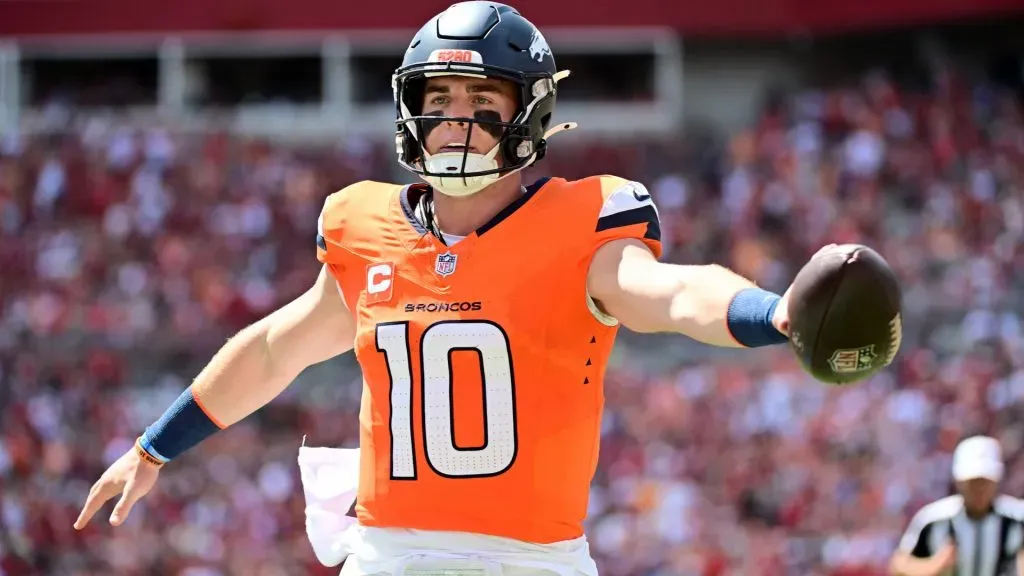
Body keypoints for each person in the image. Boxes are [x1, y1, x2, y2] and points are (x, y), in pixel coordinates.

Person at [73, 2, 816, 574]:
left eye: (482, 103)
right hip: (390, 556)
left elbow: (673, 295)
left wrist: (771, 312)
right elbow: (275, 350)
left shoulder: (583, 222)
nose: (456, 122)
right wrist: (154, 448)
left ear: (526, 114)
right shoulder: (364, 226)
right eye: (442, 98)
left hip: (532, 563)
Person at [889, 435, 1024, 576]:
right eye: (972, 482)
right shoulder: (934, 519)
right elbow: (899, 565)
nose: (979, 489)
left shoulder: (1017, 518)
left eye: (984, 481)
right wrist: (933, 566)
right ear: (958, 481)